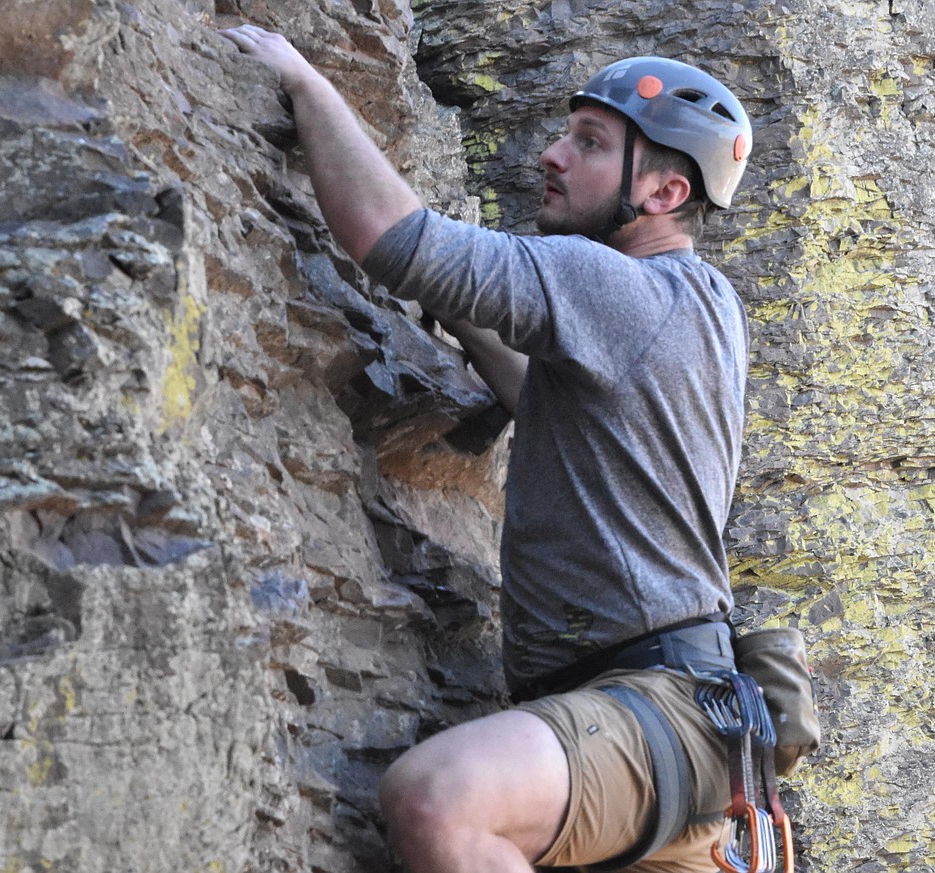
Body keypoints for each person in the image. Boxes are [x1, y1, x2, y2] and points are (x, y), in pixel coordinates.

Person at [219, 24, 753, 873]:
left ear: (661, 190)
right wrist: (468, 314)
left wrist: (307, 84)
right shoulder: (702, 303)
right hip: (681, 727)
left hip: (646, 710)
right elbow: (543, 396)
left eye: (590, 143)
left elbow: (391, 237)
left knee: (440, 799)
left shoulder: (608, 283)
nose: (551, 154)